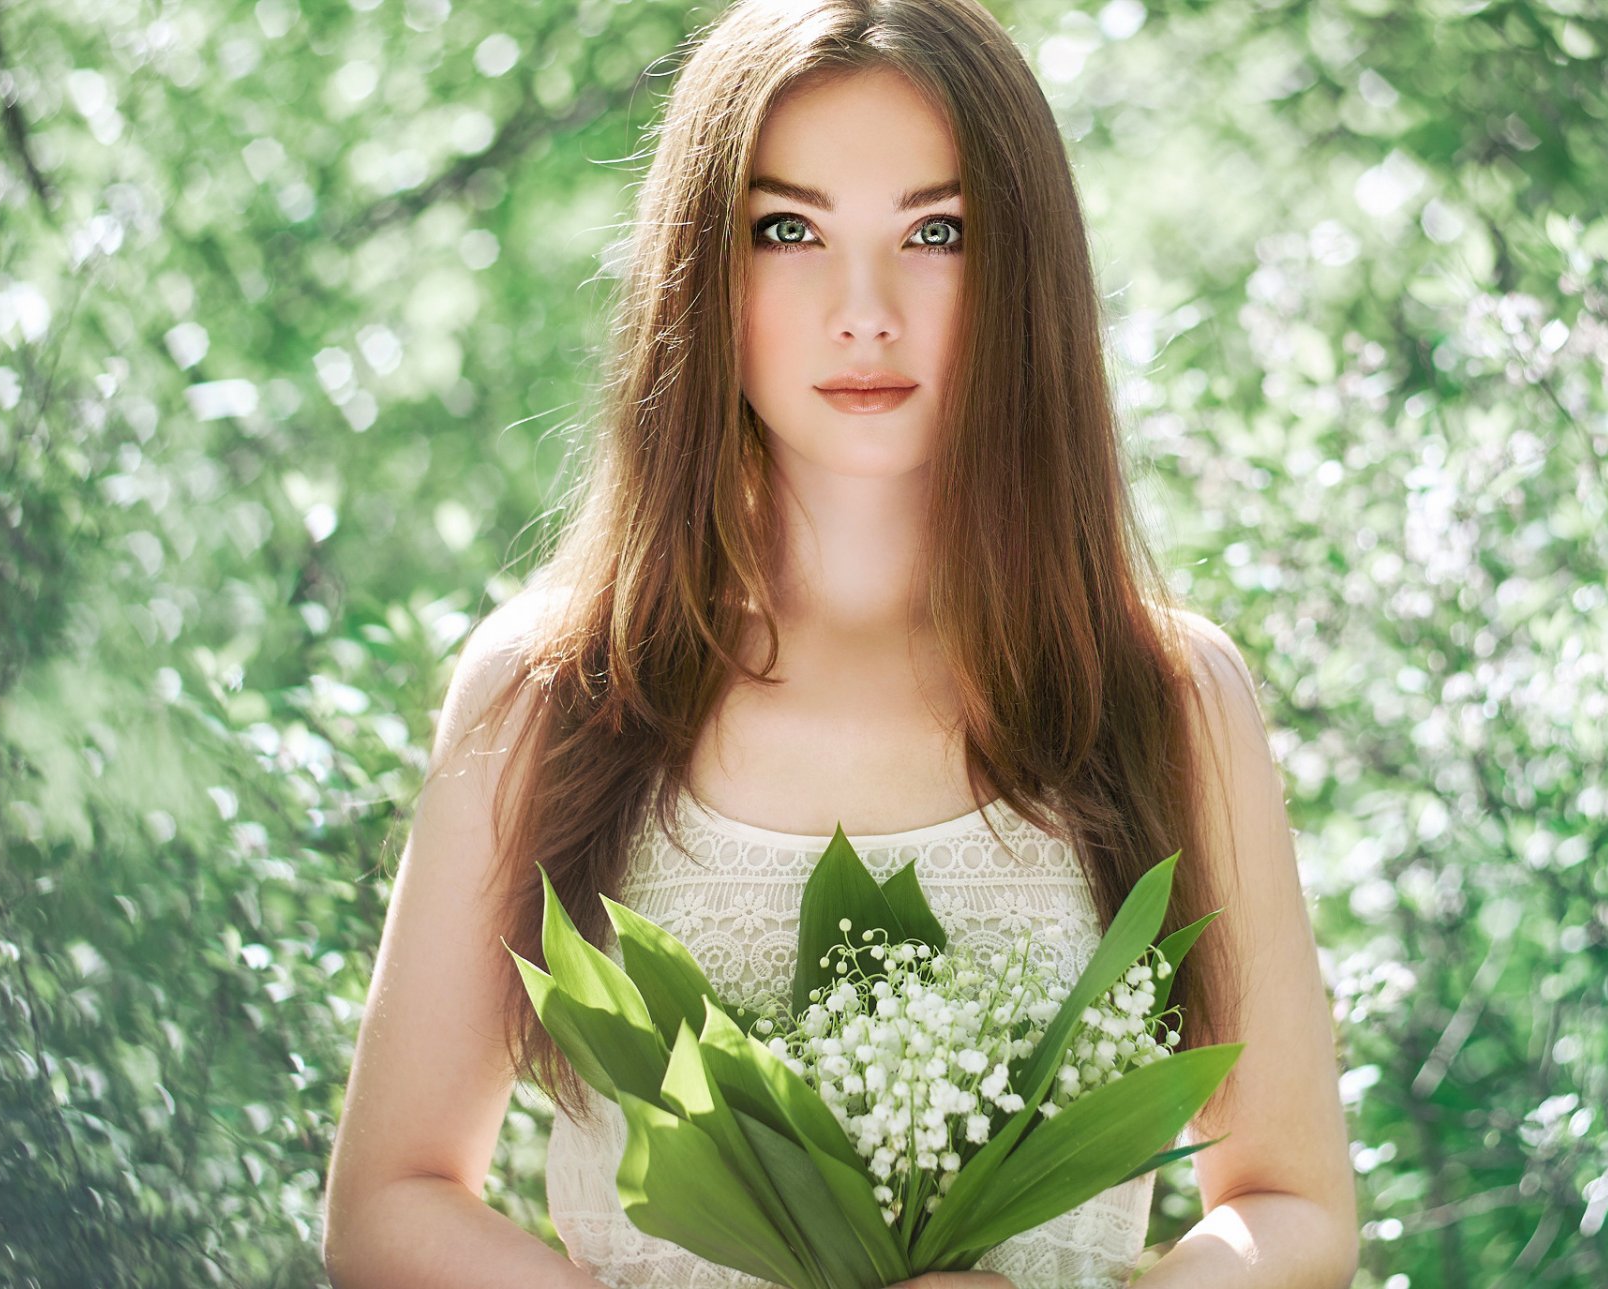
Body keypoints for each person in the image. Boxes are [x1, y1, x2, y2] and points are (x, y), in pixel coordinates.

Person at [321, 1, 1358, 1286]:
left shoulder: (1162, 697)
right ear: (704, 263)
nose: (864, 311)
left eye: (937, 232)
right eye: (788, 230)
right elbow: (391, 1205)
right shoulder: (552, 691)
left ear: (1023, 269)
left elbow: (1296, 1207)